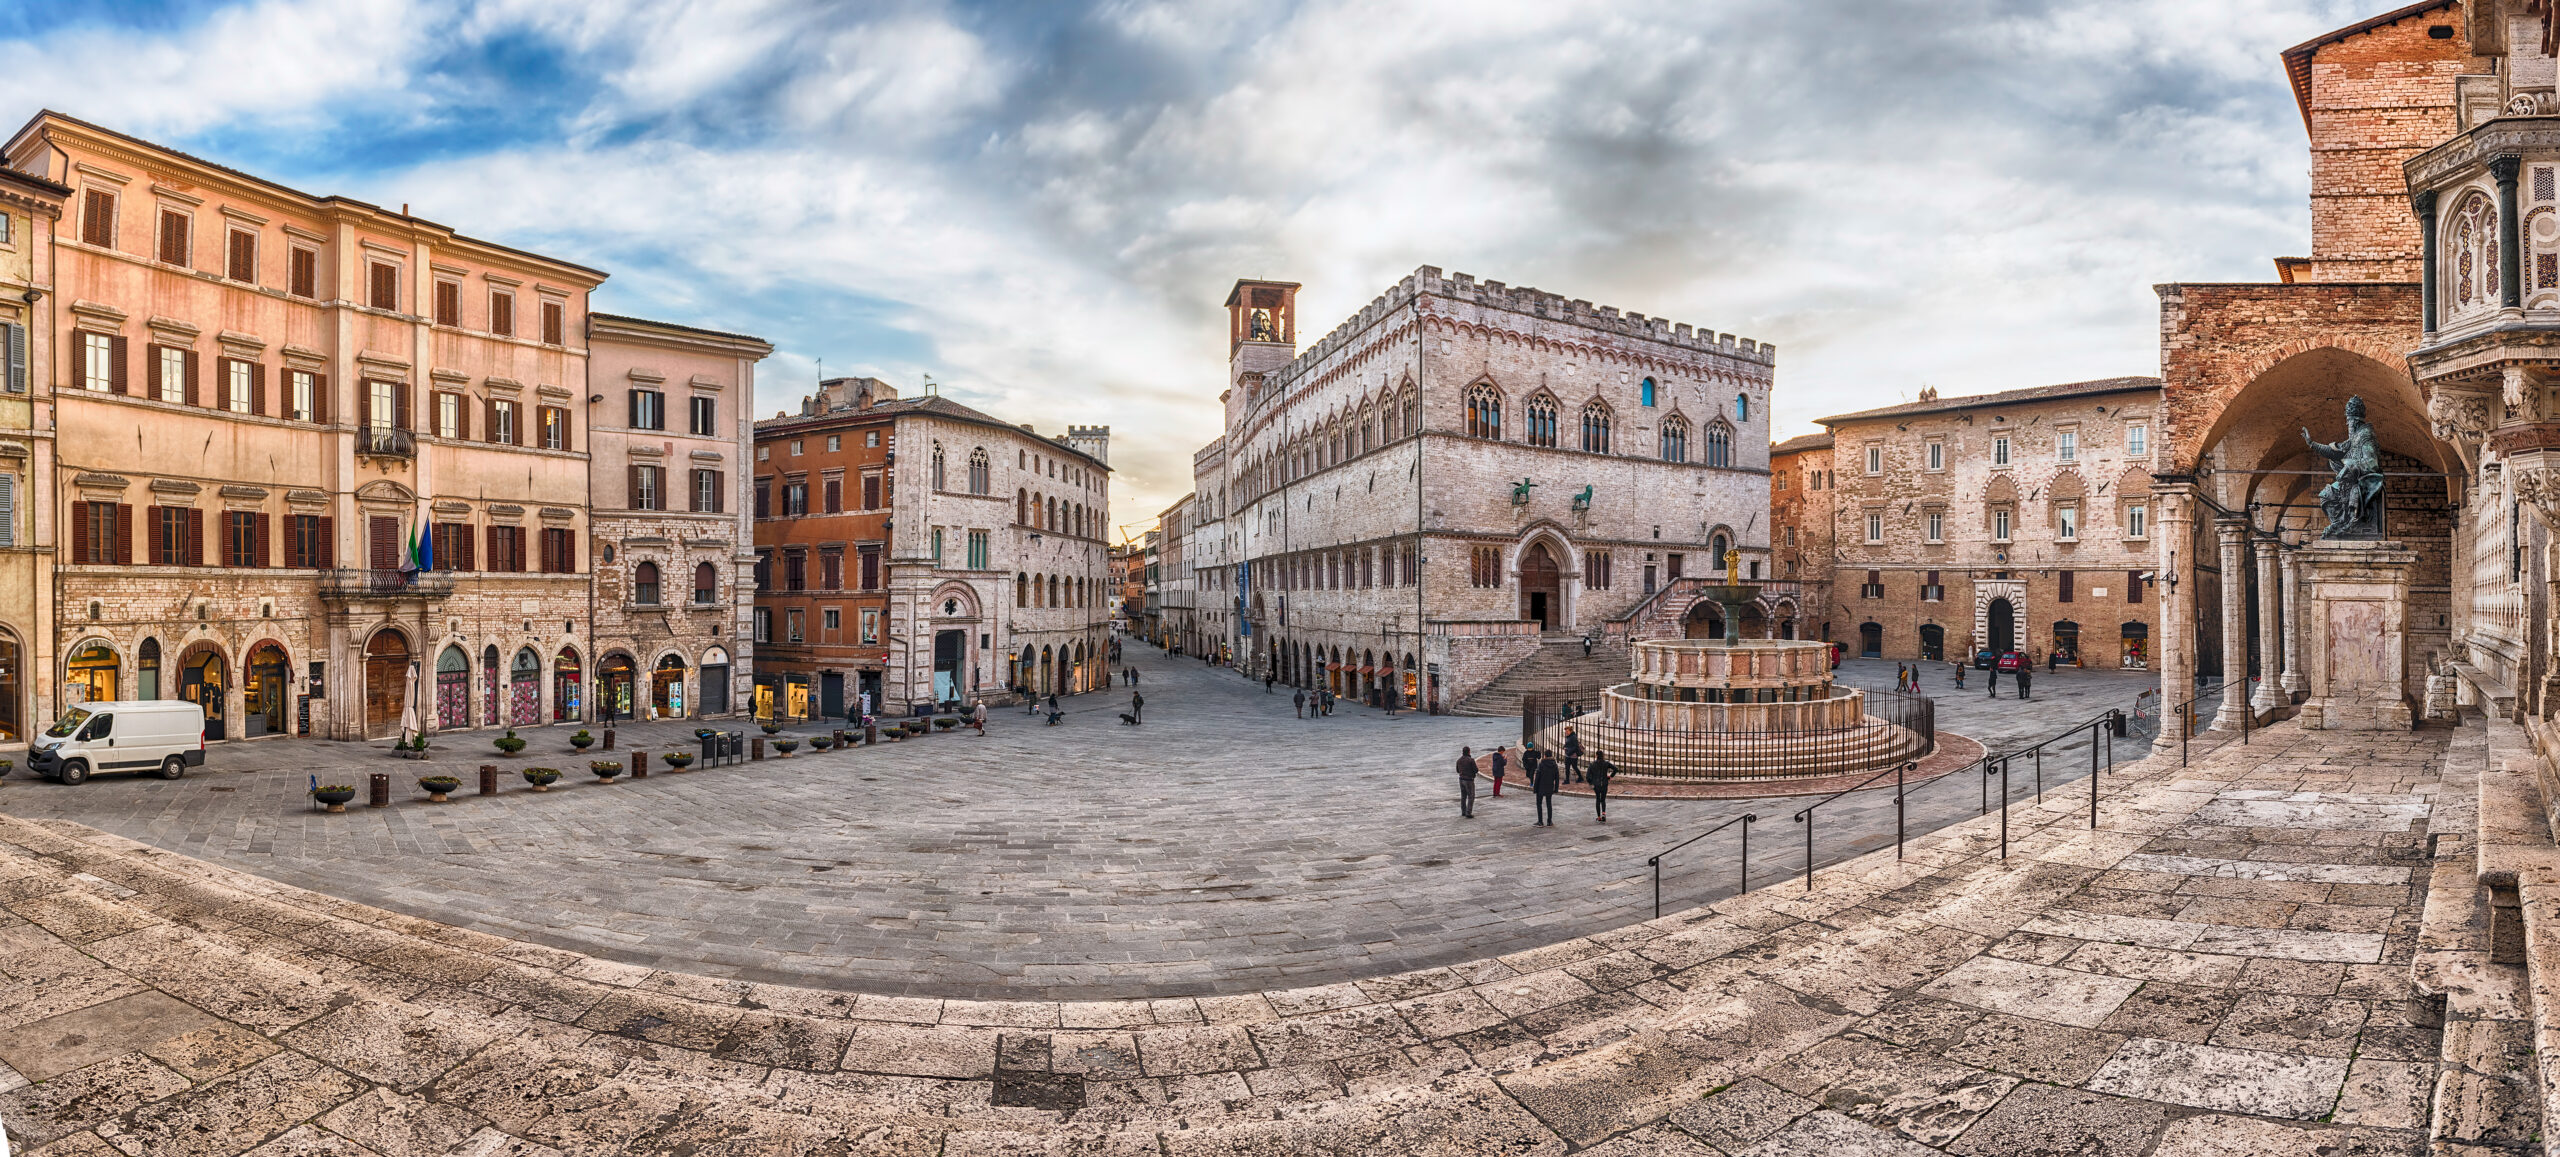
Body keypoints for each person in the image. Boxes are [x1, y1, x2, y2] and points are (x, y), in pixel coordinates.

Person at [1532, 751, 1561, 826]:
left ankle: (1540, 821)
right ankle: (1549, 821)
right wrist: (1556, 789)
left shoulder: (1541, 764)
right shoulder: (1554, 765)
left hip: (1540, 787)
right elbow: (1557, 778)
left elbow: (1537, 777)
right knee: (1549, 804)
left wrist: (1535, 788)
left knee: (1539, 803)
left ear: (1544, 756)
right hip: (1550, 786)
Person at [1588, 753, 1614, 821]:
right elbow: (1616, 769)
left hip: (1596, 785)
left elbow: (1588, 776)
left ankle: (1599, 816)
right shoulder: (1606, 763)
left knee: (1598, 799)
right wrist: (1610, 776)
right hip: (1604, 783)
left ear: (1596, 756)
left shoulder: (1592, 764)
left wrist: (1591, 783)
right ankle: (1603, 813)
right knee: (1603, 799)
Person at [1457, 747, 1479, 818]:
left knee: (1463, 797)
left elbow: (1457, 770)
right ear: (1469, 752)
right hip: (1469, 780)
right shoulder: (1471, 760)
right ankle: (1468, 812)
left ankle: (1463, 811)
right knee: (1471, 796)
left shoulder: (1459, 760)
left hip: (1461, 780)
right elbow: (1476, 770)